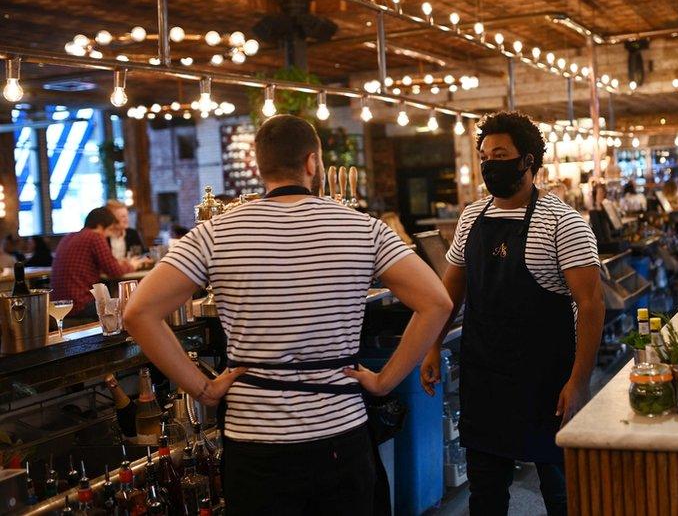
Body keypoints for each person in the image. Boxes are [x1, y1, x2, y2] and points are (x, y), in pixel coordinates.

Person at [123, 114, 453, 516]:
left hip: (254, 441)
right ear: (313, 162)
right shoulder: (364, 229)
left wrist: (203, 388)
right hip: (339, 431)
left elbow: (138, 313)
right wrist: (384, 381)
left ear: (257, 167)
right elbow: (437, 302)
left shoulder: (214, 234)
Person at [419, 111, 605, 516]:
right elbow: (451, 290)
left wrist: (579, 381)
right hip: (485, 378)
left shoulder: (563, 223)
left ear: (528, 161)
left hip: (547, 382)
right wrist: (432, 345)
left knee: (563, 493)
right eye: (484, 155)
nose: (489, 164)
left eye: (499, 154)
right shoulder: (472, 217)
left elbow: (591, 305)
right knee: (485, 495)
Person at [51, 207, 145, 321]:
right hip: (80, 304)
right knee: (129, 308)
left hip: (59, 305)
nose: (108, 235)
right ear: (101, 226)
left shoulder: (68, 237)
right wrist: (133, 265)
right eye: (109, 229)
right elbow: (115, 271)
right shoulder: (95, 237)